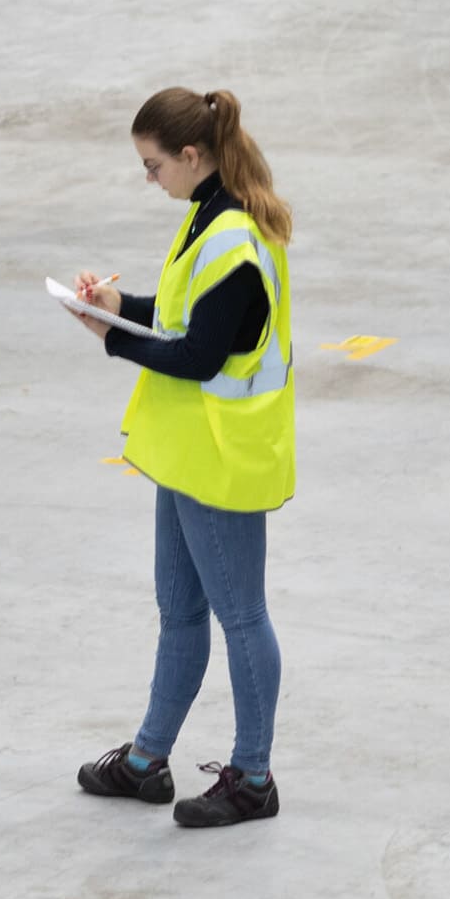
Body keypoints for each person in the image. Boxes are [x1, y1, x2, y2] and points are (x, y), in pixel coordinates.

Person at [69, 86, 295, 831]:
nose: (149, 179)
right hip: (185, 453)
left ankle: (253, 776)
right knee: (180, 612)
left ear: (191, 156)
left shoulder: (233, 242)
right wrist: (113, 302)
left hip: (221, 461)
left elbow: (200, 354)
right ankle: (146, 760)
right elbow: (178, 314)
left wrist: (110, 339)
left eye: (152, 165)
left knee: (240, 615)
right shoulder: (207, 215)